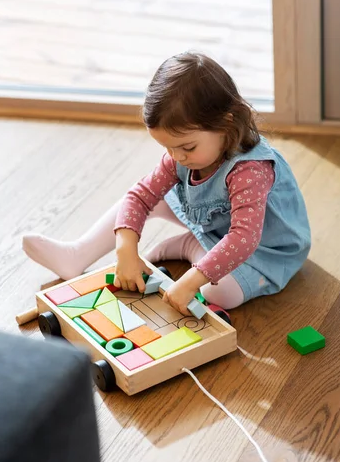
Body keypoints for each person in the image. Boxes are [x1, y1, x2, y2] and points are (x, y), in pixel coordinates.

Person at [23, 52, 311, 316]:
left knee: (217, 292)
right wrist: (126, 250)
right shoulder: (181, 156)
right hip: (216, 226)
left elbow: (244, 239)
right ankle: (77, 253)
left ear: (226, 122)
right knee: (150, 198)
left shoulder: (250, 170)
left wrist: (190, 281)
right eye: (168, 147)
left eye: (186, 147)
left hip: (263, 250)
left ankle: (191, 247)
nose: (176, 157)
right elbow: (140, 197)